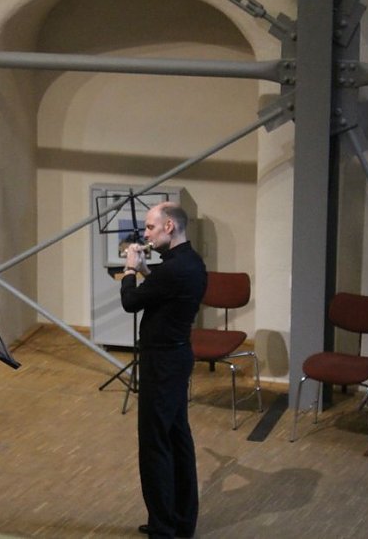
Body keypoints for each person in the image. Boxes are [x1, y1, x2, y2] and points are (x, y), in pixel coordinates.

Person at [120, 202, 207, 539]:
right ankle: (181, 521)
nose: (146, 234)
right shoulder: (191, 262)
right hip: (177, 356)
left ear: (169, 226)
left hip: (161, 363)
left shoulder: (173, 269)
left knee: (155, 444)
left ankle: (162, 527)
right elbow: (167, 290)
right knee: (177, 438)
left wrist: (130, 269)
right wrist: (145, 271)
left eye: (150, 228)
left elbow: (131, 303)